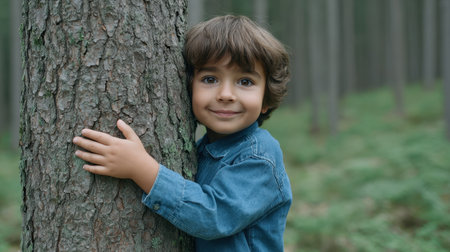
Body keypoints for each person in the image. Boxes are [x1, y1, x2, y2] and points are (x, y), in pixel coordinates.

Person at [73, 15, 292, 251]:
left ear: (266, 98)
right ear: (188, 88)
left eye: (245, 82)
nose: (226, 94)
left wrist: (141, 168)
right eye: (210, 79)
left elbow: (213, 216)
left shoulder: (260, 157)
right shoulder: (201, 148)